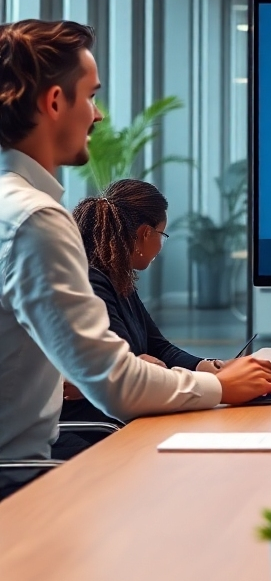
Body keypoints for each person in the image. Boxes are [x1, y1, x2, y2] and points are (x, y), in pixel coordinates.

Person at [0, 20, 271, 500]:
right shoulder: (35, 219)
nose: (97, 116)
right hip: (19, 477)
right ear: (54, 103)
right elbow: (113, 381)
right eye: (90, 96)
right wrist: (222, 387)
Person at [62, 179, 227, 423]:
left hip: (126, 418)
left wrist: (209, 367)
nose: (161, 245)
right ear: (145, 233)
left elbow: (158, 348)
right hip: (97, 430)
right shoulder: (91, 283)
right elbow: (122, 374)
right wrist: (145, 366)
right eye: (163, 234)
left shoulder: (118, 278)